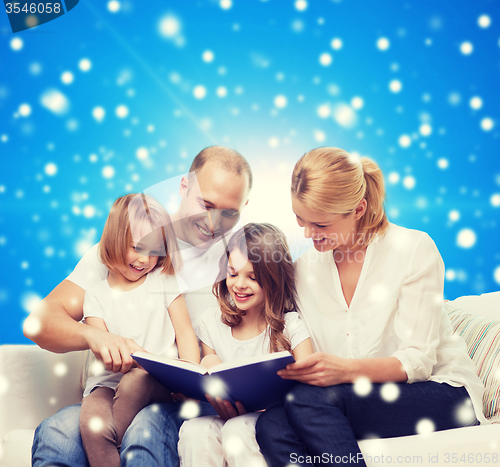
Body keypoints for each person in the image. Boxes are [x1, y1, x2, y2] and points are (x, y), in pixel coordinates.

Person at [255, 147, 486, 467]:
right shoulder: (305, 269)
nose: (308, 235)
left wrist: (344, 370)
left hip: (441, 391)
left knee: (310, 401)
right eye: (300, 220)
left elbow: (417, 361)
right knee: (272, 425)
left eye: (321, 225)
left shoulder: (413, 249)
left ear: (359, 208)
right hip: (352, 396)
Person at [25, 146, 252, 467]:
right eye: (206, 204)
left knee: (144, 429)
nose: (214, 222)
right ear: (184, 186)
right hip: (112, 392)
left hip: (181, 401)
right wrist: (96, 337)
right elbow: (40, 323)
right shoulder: (118, 251)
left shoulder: (239, 265)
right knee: (58, 433)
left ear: (245, 208)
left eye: (230, 213)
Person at [78, 193, 200, 467]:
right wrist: (132, 354)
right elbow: (104, 351)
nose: (145, 259)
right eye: (136, 247)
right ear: (113, 241)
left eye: (154, 250)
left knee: (135, 382)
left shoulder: (164, 279)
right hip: (107, 384)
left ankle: (119, 445)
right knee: (92, 424)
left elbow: (186, 333)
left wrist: (189, 378)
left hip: (157, 381)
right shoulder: (95, 295)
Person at [178, 223, 313, 467]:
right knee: (194, 431)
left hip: (272, 419)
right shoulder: (211, 322)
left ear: (273, 279)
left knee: (238, 431)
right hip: (223, 414)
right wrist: (208, 365)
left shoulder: (291, 326)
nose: (239, 284)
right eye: (232, 273)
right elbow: (209, 376)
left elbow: (309, 389)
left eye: (252, 277)